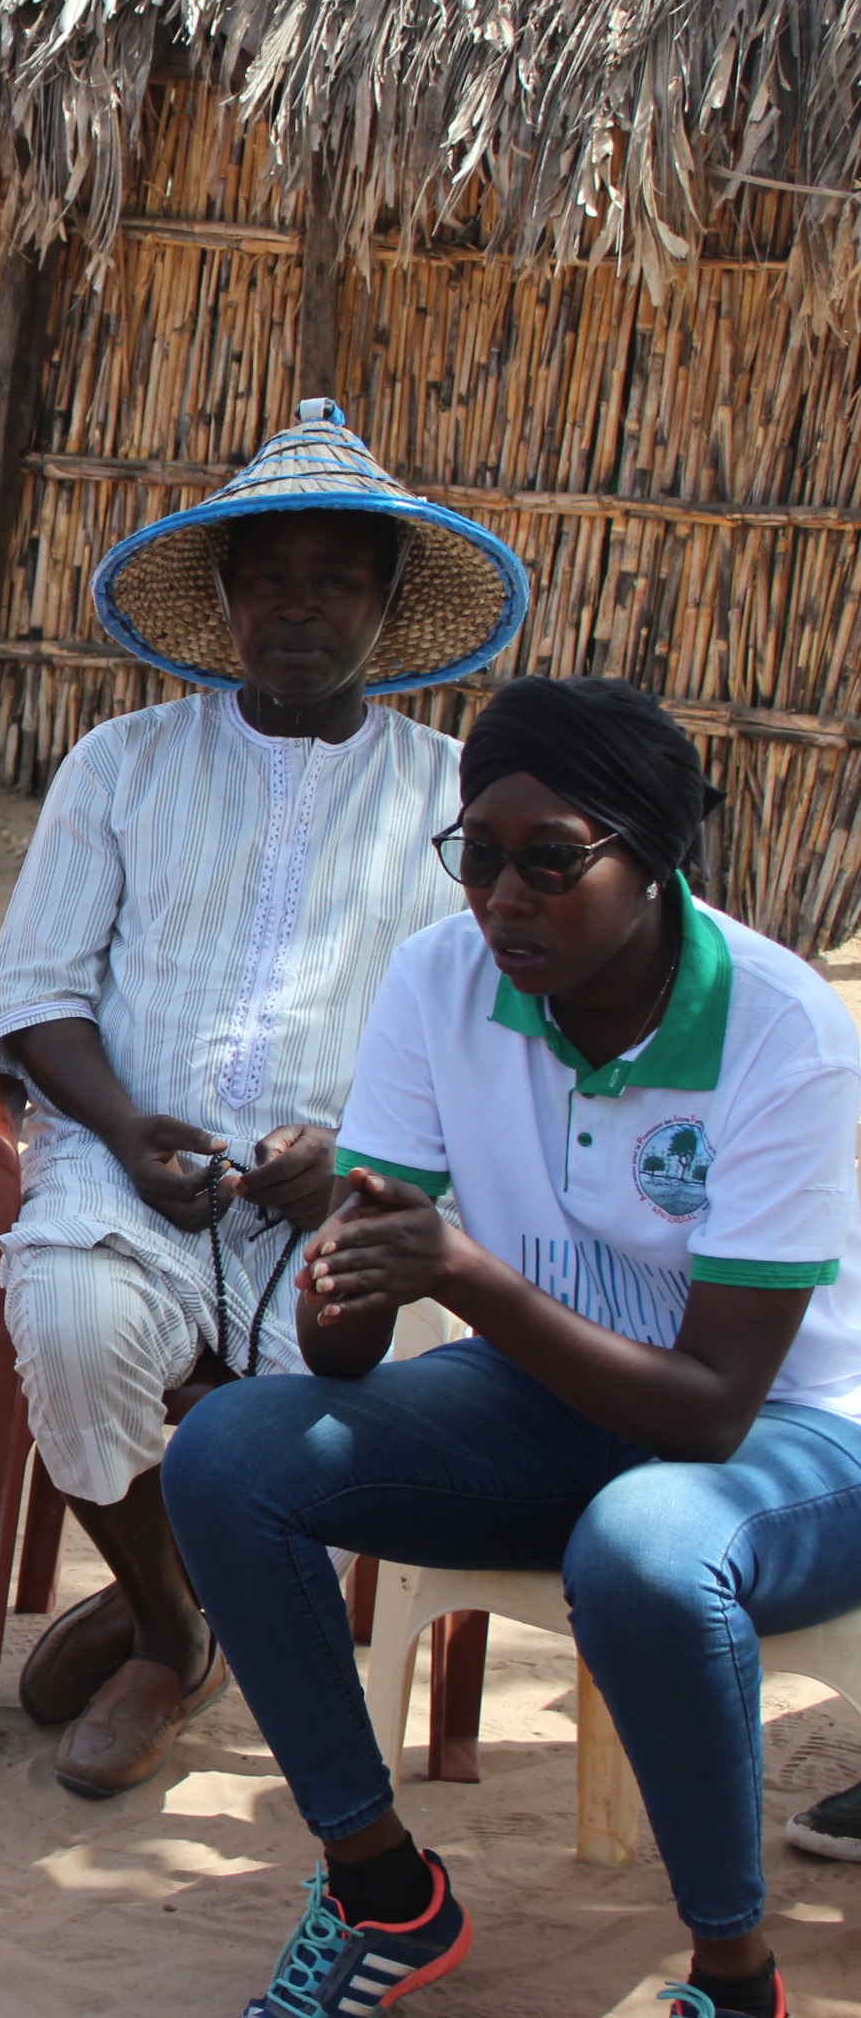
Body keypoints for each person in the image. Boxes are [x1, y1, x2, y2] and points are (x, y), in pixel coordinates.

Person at [172, 676, 861, 2018]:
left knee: (646, 1543)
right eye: (478, 855)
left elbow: (715, 1409)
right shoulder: (442, 980)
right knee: (229, 1450)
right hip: (546, 1395)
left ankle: (734, 1973)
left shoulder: (784, 1033)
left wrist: (466, 1274)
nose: (502, 898)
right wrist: (351, 1265)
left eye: (552, 861)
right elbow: (345, 1356)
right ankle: (384, 1893)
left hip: (793, 1429)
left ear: (652, 858)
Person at [0, 399, 531, 1797]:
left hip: (351, 1201)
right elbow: (37, 992)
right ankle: (172, 1629)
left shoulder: (450, 800)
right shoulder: (122, 766)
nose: (298, 606)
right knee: (74, 1313)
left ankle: (162, 1598)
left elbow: (496, 1044)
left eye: (333, 578)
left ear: (385, 603)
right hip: (135, 1175)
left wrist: (360, 1152)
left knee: (328, 1419)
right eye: (266, 576)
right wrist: (117, 1125)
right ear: (221, 597)